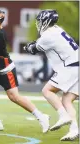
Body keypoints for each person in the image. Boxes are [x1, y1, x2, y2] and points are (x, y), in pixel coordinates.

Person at [23, 9, 79, 141]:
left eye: (39, 21)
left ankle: (63, 115)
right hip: (76, 65)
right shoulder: (58, 29)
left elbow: (34, 49)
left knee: (47, 91)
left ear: (45, 20)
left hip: (69, 67)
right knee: (66, 100)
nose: (38, 23)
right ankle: (75, 129)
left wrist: (28, 47)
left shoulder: (48, 35)